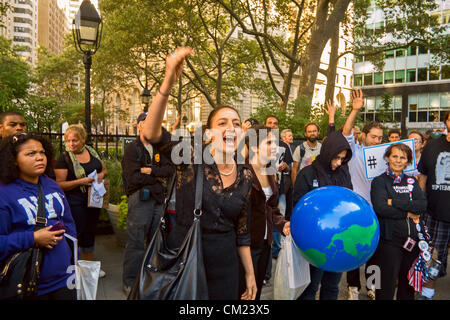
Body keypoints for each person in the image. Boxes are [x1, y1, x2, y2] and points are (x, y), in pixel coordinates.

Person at [141, 47, 257, 300]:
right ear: (208, 134)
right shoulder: (190, 159)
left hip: (226, 268)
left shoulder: (246, 176)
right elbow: (151, 133)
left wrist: (249, 274)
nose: (231, 128)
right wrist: (169, 80)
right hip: (185, 260)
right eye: (222, 123)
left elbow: (242, 229)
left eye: (236, 123)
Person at [0, 133, 77, 299]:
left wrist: (72, 261)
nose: (39, 158)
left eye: (42, 152)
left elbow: (69, 224)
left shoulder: (51, 184)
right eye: (30, 154)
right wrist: (33, 238)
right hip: (27, 285)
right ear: (13, 159)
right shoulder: (4, 193)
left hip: (65, 279)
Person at [293, 130, 353, 300]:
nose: (339, 163)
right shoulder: (307, 173)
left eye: (342, 159)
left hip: (338, 240)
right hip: (314, 240)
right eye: (336, 157)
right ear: (327, 153)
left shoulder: (343, 173)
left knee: (332, 286)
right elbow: (297, 206)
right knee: (310, 287)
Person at [121, 112, 175, 296]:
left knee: (155, 242)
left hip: (158, 200)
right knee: (136, 242)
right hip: (140, 200)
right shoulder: (132, 149)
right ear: (139, 126)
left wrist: (150, 171)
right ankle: (130, 281)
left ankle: (151, 279)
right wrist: (157, 177)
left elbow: (169, 170)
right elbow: (133, 177)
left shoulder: (161, 148)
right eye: (147, 122)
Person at [238, 124, 290, 300]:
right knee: (244, 294)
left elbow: (271, 207)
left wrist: (282, 224)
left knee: (257, 292)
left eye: (275, 142)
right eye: (269, 142)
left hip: (265, 244)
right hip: (244, 246)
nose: (275, 146)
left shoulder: (270, 170)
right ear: (253, 146)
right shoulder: (241, 172)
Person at [370, 143, 427, 300]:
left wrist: (393, 202)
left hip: (412, 242)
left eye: (403, 158)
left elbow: (422, 205)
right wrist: (407, 212)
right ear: (388, 158)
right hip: (389, 242)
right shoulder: (379, 182)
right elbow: (381, 208)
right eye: (394, 156)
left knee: (407, 287)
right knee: (386, 286)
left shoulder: (412, 181)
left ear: (408, 161)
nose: (398, 160)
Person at [342, 89, 384, 300]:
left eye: (380, 138)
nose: (377, 141)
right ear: (364, 136)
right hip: (356, 209)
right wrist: (355, 110)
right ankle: (352, 287)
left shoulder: (386, 157)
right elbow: (346, 132)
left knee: (375, 251)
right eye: (373, 136)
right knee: (355, 249)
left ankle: (372, 285)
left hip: (377, 210)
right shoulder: (354, 152)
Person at [54, 124, 108, 277]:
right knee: (76, 233)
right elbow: (59, 185)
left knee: (90, 231)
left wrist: (101, 175)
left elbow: (104, 170)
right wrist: (80, 182)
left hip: (94, 198)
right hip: (74, 201)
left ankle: (89, 268)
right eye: (68, 141)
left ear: (83, 139)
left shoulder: (92, 151)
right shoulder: (64, 158)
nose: (71, 144)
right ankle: (74, 268)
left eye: (75, 140)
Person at [416, 110, 450, 300]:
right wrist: (421, 205)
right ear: (446, 122)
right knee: (432, 255)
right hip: (435, 212)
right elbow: (423, 177)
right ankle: (427, 293)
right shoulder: (432, 146)